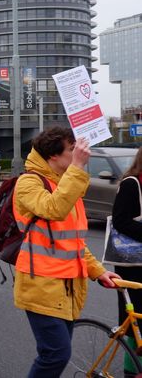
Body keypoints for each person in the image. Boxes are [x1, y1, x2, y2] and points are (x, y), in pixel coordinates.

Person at [13, 127, 120, 378]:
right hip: (40, 285)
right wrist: (78, 167)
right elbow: (53, 208)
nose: (78, 153)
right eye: (71, 150)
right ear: (53, 156)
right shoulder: (29, 182)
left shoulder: (65, 184)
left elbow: (74, 242)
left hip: (68, 285)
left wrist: (98, 271)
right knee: (56, 354)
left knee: (57, 354)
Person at [112, 146, 142, 372]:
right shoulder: (132, 184)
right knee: (135, 321)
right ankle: (131, 370)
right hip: (132, 264)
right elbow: (120, 221)